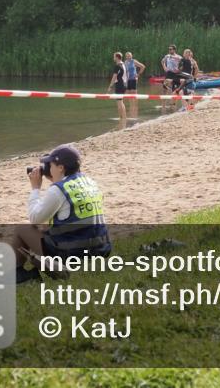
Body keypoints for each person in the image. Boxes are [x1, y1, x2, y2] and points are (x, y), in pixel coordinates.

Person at [10, 144, 111, 283]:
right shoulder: (90, 182)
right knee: (47, 228)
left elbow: (34, 218)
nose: (48, 169)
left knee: (22, 229)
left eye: (50, 165)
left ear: (60, 167)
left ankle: (19, 275)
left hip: (72, 255)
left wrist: (35, 188)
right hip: (100, 250)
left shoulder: (58, 190)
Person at [123, 52, 145, 119]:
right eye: (127, 56)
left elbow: (143, 66)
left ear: (131, 56)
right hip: (127, 80)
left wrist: (138, 74)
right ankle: (131, 109)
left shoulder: (134, 61)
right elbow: (124, 72)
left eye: (129, 56)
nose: (128, 57)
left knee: (134, 94)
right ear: (125, 57)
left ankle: (135, 109)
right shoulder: (125, 62)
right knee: (129, 95)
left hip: (133, 79)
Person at [107, 52, 127, 123]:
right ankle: (124, 118)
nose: (113, 58)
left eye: (114, 57)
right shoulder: (123, 64)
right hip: (124, 85)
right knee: (121, 102)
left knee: (119, 102)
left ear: (117, 57)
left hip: (119, 85)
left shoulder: (117, 66)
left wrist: (110, 86)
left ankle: (120, 118)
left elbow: (114, 77)